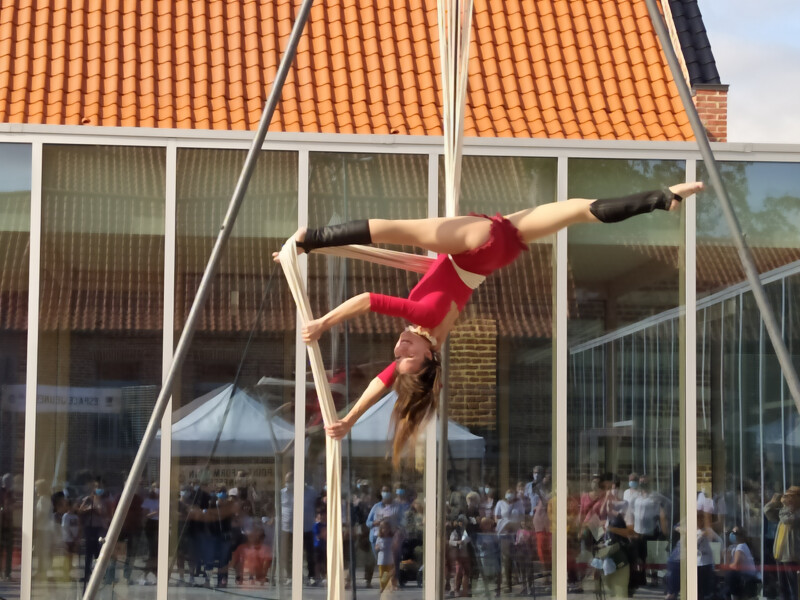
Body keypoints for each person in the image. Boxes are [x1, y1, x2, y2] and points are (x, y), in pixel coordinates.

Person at [278, 183, 704, 463]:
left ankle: (661, 198)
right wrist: (321, 323)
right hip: (473, 248)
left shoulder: (429, 340)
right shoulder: (426, 319)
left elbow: (384, 382)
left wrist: (350, 419)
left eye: (399, 355)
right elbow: (368, 300)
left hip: (500, 247)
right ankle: (312, 235)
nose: (398, 349)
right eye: (408, 354)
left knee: (579, 210)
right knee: (396, 230)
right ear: (429, 354)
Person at [764, 486, 800, 600]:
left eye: (791, 496)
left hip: (792, 557)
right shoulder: (785, 512)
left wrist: (785, 506)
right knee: (783, 589)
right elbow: (768, 512)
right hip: (780, 556)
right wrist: (773, 502)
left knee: (794, 589)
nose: (787, 499)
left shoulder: (796, 514)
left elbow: (787, 520)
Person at [724, 526, 759, 600]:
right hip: (744, 577)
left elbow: (735, 565)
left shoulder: (741, 546)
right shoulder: (736, 547)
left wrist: (726, 566)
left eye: (734, 533)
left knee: (730, 574)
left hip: (746, 578)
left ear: (740, 535)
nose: (731, 535)